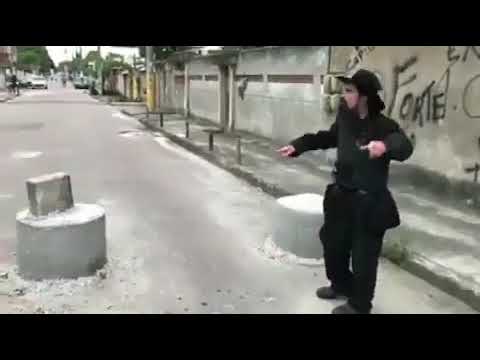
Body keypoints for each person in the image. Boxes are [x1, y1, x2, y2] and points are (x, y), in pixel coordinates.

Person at [278, 69, 414, 314]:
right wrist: (299, 145)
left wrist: (384, 146)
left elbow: (404, 146)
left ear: (364, 96)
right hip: (341, 197)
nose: (343, 95)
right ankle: (340, 285)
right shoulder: (345, 120)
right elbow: (328, 137)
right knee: (333, 246)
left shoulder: (384, 125)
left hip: (369, 203)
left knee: (364, 259)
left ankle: (360, 305)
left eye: (349, 91)